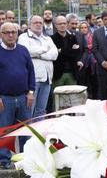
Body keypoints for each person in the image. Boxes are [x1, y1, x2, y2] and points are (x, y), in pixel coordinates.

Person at [0, 22, 35, 168]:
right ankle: (4, 160)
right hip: (4, 99)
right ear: (1, 34)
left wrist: (31, 92)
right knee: (4, 132)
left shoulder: (23, 50)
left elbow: (31, 72)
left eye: (13, 32)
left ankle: (25, 159)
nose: (10, 35)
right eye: (7, 32)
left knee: (26, 131)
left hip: (23, 97)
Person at [18, 15, 58, 117]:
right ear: (29, 25)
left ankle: (38, 131)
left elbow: (54, 55)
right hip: (33, 80)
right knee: (29, 109)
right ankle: (27, 132)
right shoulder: (23, 37)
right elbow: (27, 51)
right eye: (35, 22)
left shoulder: (47, 38)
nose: (38, 24)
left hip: (47, 79)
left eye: (40, 23)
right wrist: (44, 50)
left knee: (41, 110)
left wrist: (38, 55)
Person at [51, 15, 81, 88]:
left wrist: (61, 50)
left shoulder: (72, 37)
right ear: (55, 25)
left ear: (67, 24)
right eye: (60, 24)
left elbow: (76, 53)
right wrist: (70, 50)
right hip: (58, 74)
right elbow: (55, 57)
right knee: (58, 98)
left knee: (72, 97)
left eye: (64, 23)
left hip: (72, 72)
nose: (62, 25)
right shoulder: (52, 39)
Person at [79, 21, 97, 99]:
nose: (83, 29)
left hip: (93, 60)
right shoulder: (78, 37)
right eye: (82, 28)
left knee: (93, 79)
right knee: (84, 80)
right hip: (83, 61)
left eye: (85, 27)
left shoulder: (92, 36)